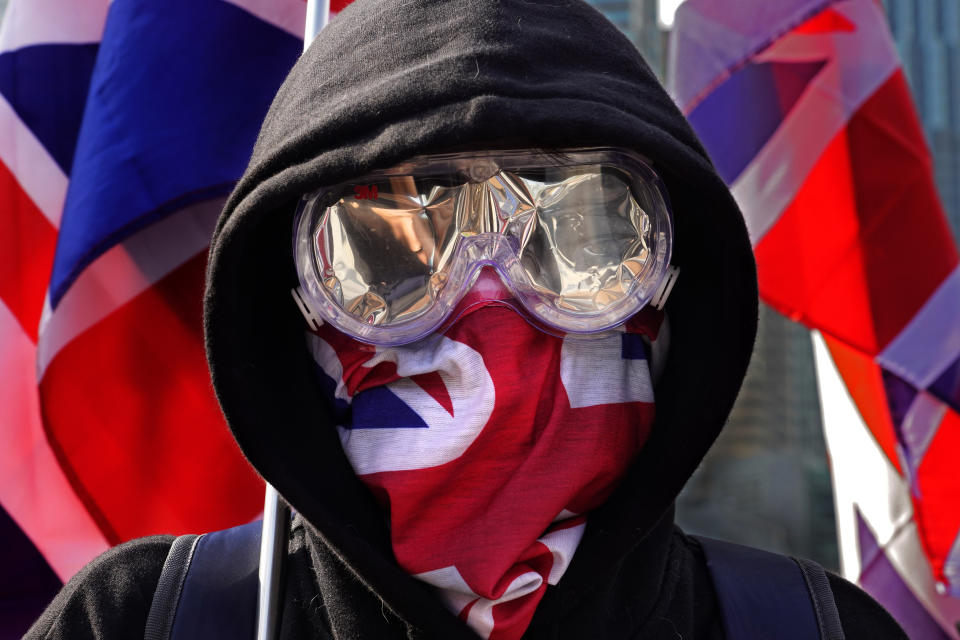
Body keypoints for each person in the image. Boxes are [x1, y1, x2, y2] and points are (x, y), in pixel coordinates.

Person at [26, 0, 908, 638]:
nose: (488, 302)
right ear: (290, 300)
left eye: (579, 234)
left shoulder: (812, 627)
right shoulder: (137, 620)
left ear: (673, 287)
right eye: (395, 250)